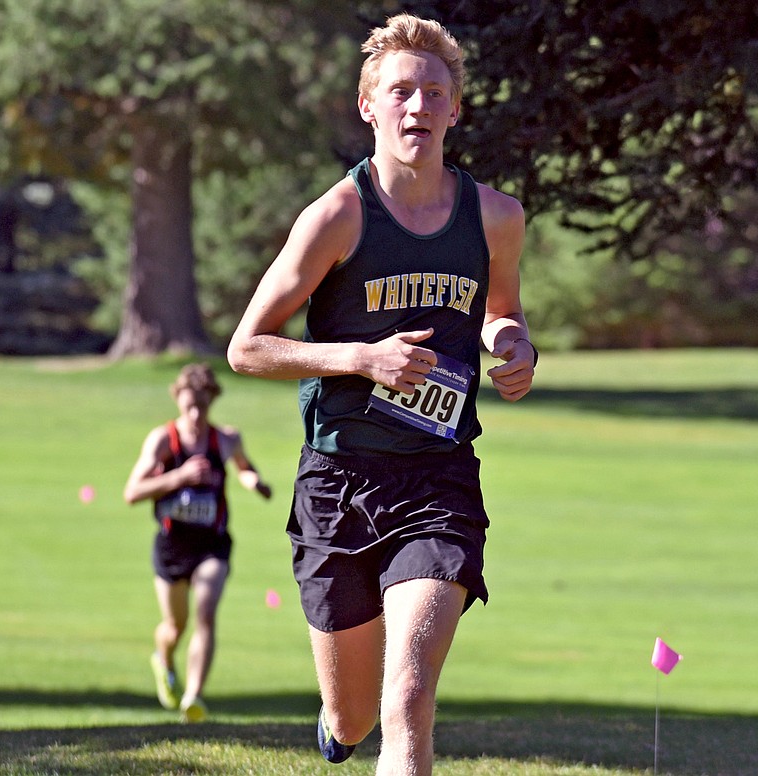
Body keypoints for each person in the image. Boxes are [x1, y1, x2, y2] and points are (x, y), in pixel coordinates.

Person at [227, 12, 536, 774]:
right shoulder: (337, 216)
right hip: (337, 483)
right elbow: (247, 348)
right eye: (401, 91)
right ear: (369, 105)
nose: (418, 107)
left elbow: (501, 311)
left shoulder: (495, 217)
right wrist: (361, 358)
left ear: (455, 109)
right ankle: (338, 727)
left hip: (438, 480)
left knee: (408, 699)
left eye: (435, 93)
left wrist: (515, 345)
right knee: (358, 713)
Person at [123, 363, 272, 722]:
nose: (194, 414)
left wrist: (253, 481)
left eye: (201, 406)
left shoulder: (226, 439)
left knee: (205, 614)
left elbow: (244, 466)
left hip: (212, 544)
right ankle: (164, 657)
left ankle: (193, 696)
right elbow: (132, 492)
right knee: (175, 626)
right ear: (178, 399)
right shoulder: (163, 440)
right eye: (188, 405)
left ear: (211, 402)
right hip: (173, 546)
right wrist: (179, 476)